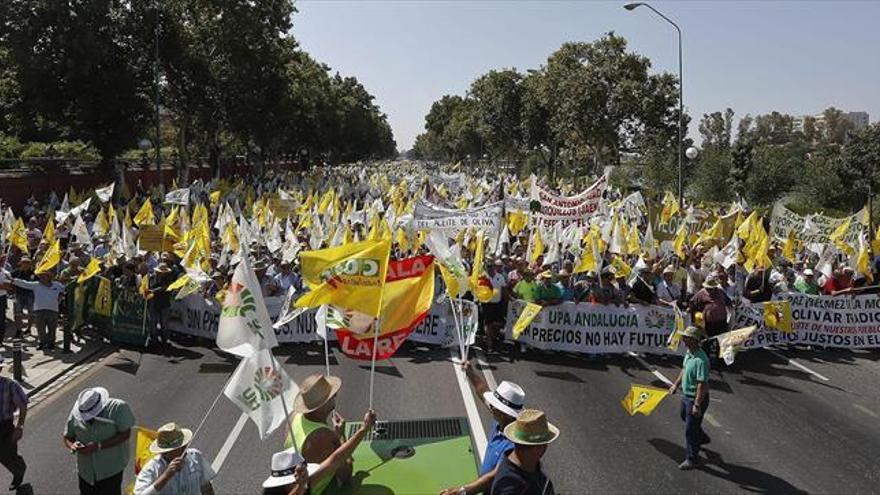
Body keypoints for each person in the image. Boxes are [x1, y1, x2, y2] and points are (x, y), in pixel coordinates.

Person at [441, 361, 526, 495]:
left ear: (505, 413)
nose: (490, 406)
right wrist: (470, 373)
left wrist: (462, 491)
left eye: (495, 405)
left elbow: (494, 476)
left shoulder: (514, 444)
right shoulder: (501, 419)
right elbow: (483, 390)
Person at [263, 409, 376, 495]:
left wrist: (364, 429)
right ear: (286, 485)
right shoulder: (300, 487)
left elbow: (334, 460)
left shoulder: (305, 484)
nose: (305, 475)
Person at [63, 387, 135, 495]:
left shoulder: (118, 408)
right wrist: (73, 446)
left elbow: (125, 434)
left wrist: (99, 446)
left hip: (110, 470)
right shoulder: (77, 411)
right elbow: (67, 436)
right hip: (86, 473)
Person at [286, 374, 350, 495]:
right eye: (332, 395)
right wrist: (341, 436)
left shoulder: (294, 416)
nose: (335, 396)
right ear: (322, 405)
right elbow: (346, 475)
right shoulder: (322, 436)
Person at [668, 326, 711, 470]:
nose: (683, 339)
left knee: (690, 430)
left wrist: (697, 405)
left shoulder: (701, 360)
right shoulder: (689, 353)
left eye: (686, 337)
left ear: (694, 340)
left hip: (695, 398)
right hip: (686, 396)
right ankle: (701, 436)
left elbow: (702, 384)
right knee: (684, 417)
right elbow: (684, 369)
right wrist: (675, 384)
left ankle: (693, 458)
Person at [134, 422, 215, 495]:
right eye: (179, 447)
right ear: (166, 452)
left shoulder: (195, 456)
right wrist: (166, 475)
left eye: (184, 444)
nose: (185, 447)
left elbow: (206, 487)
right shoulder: (151, 468)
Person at [490, 409, 559, 495]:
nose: (546, 447)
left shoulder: (527, 467)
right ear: (538, 448)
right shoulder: (510, 487)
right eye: (545, 443)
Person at [12, 270, 65, 350]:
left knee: (52, 328)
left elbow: (64, 289)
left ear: (49, 277)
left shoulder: (57, 285)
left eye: (44, 276)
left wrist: (61, 296)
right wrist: (13, 280)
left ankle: (51, 344)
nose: (42, 278)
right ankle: (42, 343)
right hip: (39, 310)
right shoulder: (36, 285)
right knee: (40, 328)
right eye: (40, 276)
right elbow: (25, 283)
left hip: (53, 310)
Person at [0, 356, 27, 490]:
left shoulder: (10, 385)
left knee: (7, 457)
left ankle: (19, 469)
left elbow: (22, 406)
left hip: (4, 428)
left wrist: (19, 427)